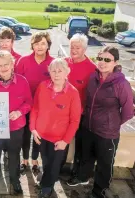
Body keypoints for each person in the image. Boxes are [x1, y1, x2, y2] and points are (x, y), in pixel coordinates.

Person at [67, 46, 134, 198]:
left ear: (115, 62)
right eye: (100, 59)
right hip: (88, 127)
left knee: (104, 165)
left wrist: (113, 123)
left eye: (107, 60)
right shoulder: (93, 77)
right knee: (86, 157)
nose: (102, 63)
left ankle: (99, 191)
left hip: (107, 133)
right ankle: (83, 178)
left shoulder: (121, 84)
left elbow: (128, 112)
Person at [0, 50, 32, 195]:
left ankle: (14, 179)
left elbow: (29, 102)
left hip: (16, 128)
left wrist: (19, 112)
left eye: (6, 64)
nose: (3, 68)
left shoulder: (22, 81)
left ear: (12, 64)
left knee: (14, 155)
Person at [30, 58, 81, 198]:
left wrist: (65, 140)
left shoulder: (73, 92)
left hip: (59, 139)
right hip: (41, 135)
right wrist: (33, 129)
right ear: (49, 72)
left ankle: (46, 188)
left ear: (67, 72)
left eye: (60, 71)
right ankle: (48, 179)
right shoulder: (42, 86)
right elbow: (35, 108)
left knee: (54, 165)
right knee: (46, 161)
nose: (56, 74)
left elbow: (75, 120)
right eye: (53, 70)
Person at [15, 31, 54, 175]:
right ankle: (24, 160)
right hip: (25, 105)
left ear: (48, 45)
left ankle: (35, 160)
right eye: (36, 43)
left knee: (38, 134)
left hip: (42, 107)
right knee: (25, 134)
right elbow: (17, 82)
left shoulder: (52, 62)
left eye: (43, 43)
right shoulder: (23, 61)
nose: (39, 46)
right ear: (32, 45)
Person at [63, 33, 97, 175]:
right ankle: (57, 168)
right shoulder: (64, 62)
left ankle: (77, 172)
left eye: (78, 47)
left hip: (81, 114)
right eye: (72, 47)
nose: (74, 50)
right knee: (61, 141)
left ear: (84, 49)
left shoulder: (92, 69)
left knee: (80, 144)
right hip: (62, 112)